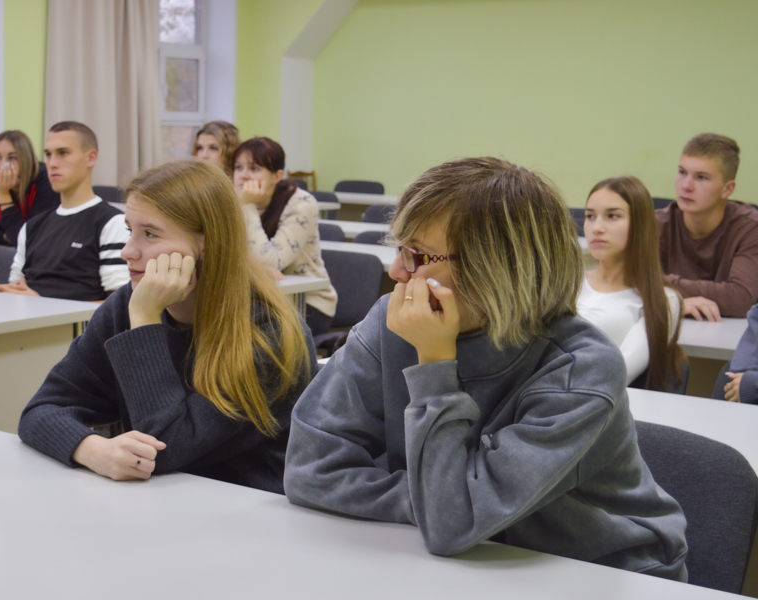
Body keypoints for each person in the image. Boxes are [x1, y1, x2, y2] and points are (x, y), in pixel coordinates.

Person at [284, 157, 688, 580]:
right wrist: (443, 499)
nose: (396, 271)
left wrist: (435, 365)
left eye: (417, 254)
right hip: (474, 559)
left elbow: (451, 526)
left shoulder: (581, 368)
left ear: (496, 269)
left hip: (607, 572)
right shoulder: (393, 320)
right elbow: (309, 469)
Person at [18, 159, 316, 492]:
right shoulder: (127, 305)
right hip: (160, 506)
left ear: (206, 244)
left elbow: (167, 447)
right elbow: (40, 409)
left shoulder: (267, 331)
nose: (128, 251)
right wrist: (93, 449)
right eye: (129, 230)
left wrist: (145, 322)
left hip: (253, 514)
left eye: (150, 234)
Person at [0, 121, 129, 301]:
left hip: (77, 328)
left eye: (63, 153)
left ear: (90, 158)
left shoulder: (113, 223)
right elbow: (15, 291)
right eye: (48, 155)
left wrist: (41, 304)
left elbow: (120, 308)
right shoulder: (31, 227)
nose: (52, 163)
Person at [578, 176, 685, 389]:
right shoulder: (569, 282)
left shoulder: (663, 299)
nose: (596, 227)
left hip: (592, 406)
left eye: (612, 216)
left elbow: (619, 375)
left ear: (640, 224)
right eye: (590, 216)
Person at [233, 137, 337, 336]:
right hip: (257, 297)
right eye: (238, 168)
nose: (243, 176)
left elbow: (272, 260)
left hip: (306, 303)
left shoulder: (301, 203)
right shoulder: (233, 200)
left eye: (254, 169)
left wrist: (246, 206)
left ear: (276, 176)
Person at [656, 133, 758, 320]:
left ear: (727, 189)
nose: (686, 186)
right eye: (682, 172)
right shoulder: (655, 224)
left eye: (701, 177)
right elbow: (625, 283)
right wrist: (677, 302)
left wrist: (661, 287)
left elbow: (740, 298)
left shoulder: (751, 229)